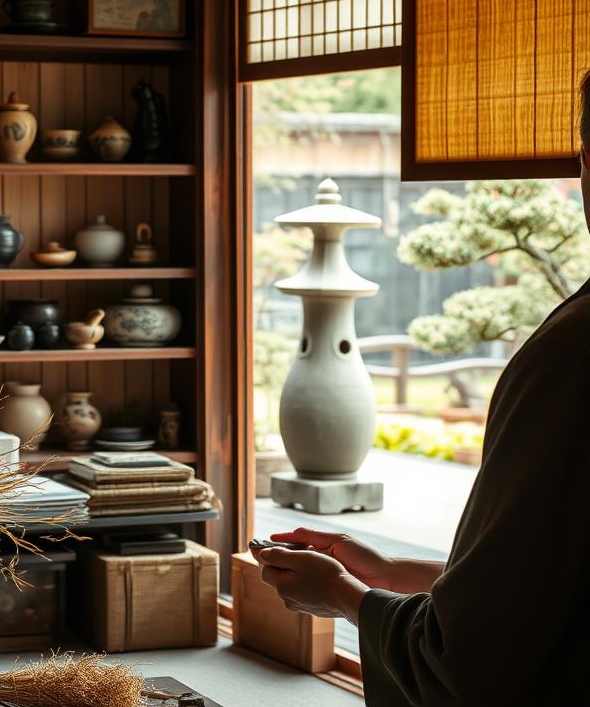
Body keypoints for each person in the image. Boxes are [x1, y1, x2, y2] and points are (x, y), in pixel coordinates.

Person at [252, 71, 590, 705]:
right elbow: (546, 587)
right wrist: (391, 574)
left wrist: (349, 598)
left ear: (585, 164)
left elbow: (471, 657)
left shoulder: (571, 356)